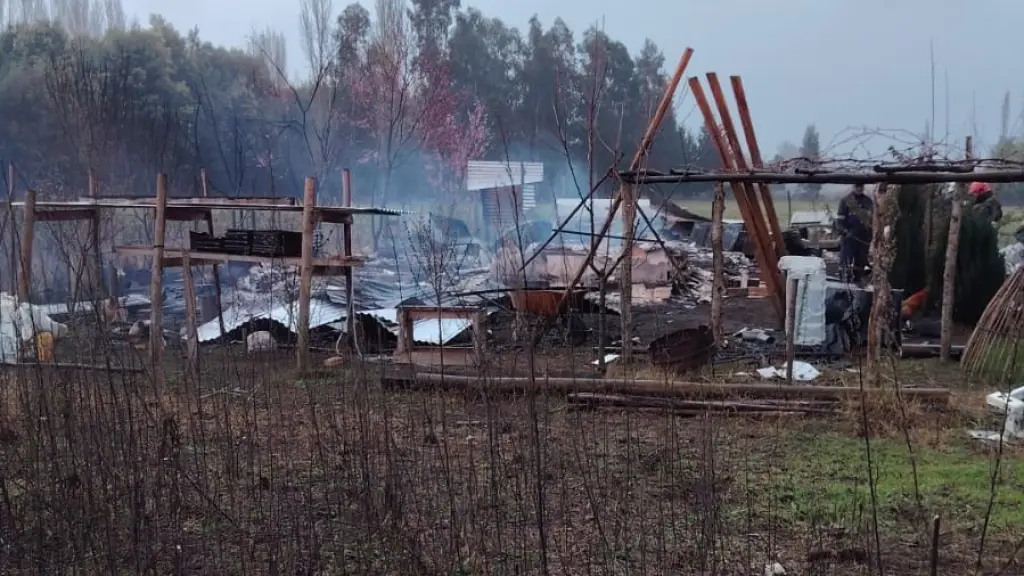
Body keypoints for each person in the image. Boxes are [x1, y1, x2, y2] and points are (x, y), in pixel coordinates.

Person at [835, 183, 873, 282]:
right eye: (857, 186)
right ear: (853, 186)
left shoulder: (868, 202)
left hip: (863, 238)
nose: (859, 188)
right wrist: (845, 232)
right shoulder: (846, 201)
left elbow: (873, 221)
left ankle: (858, 282)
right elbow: (839, 222)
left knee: (860, 263)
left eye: (861, 186)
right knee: (845, 263)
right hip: (849, 238)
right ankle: (843, 283)